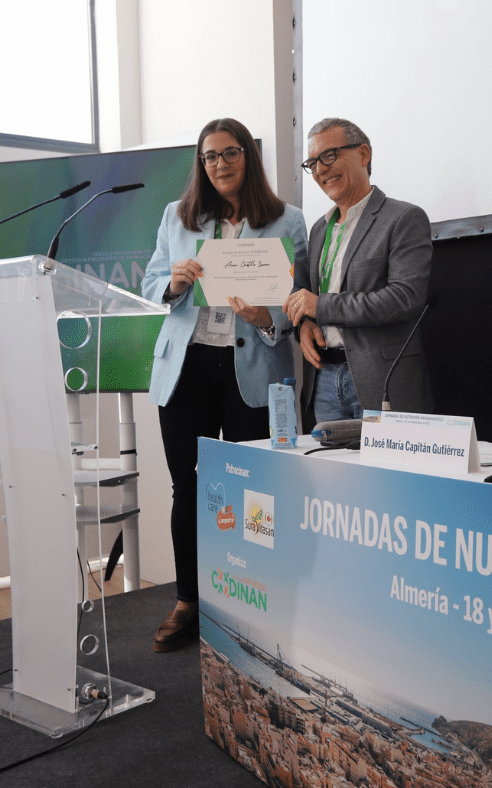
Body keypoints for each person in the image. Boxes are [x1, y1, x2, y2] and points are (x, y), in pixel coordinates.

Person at [142, 118, 307, 652]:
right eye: (210, 156)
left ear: (247, 157)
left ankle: (249, 605)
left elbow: (299, 299)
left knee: (253, 491)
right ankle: (187, 601)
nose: (220, 164)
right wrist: (173, 283)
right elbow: (150, 283)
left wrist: (266, 317)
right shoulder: (178, 215)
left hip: (252, 367)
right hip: (187, 368)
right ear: (201, 163)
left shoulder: (287, 221)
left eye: (230, 153)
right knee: (187, 488)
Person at [282, 118, 433, 421]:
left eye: (329, 156)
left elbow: (405, 298)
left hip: (381, 382)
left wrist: (320, 307)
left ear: (363, 154)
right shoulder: (319, 229)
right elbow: (310, 297)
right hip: (324, 379)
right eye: (312, 163)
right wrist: (306, 324)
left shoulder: (403, 218)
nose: (321, 169)